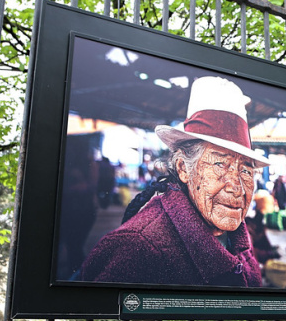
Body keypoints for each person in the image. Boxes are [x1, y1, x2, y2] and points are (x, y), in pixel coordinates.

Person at [81, 76, 271, 287]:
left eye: (246, 170)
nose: (236, 187)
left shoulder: (239, 237)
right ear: (183, 168)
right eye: (219, 164)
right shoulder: (136, 248)